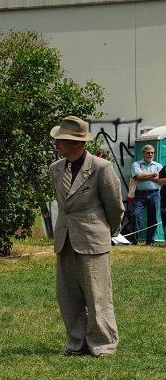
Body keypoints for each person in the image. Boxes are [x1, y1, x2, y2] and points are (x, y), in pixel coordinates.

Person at [49, 116, 124, 358]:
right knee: (68, 296)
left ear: (77, 143)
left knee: (97, 295)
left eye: (62, 139)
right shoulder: (55, 169)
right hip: (65, 239)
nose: (57, 143)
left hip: (93, 239)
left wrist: (108, 233)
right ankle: (76, 343)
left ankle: (103, 344)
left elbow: (115, 205)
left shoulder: (102, 168)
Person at [129, 144, 162, 245]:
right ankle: (134, 241)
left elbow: (160, 180)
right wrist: (153, 174)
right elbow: (138, 176)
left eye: (152, 153)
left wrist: (145, 176)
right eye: (148, 152)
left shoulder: (158, 165)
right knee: (135, 216)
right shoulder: (136, 164)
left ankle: (150, 241)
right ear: (143, 153)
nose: (150, 154)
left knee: (153, 218)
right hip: (140, 195)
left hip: (154, 194)